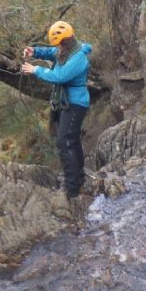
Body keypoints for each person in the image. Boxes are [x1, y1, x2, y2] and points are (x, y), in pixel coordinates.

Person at [22, 21, 92, 199]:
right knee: (71, 142)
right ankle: (78, 179)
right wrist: (34, 51)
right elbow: (51, 53)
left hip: (75, 105)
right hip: (67, 103)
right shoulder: (67, 50)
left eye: (59, 44)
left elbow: (59, 77)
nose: (57, 48)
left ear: (65, 42)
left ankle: (72, 189)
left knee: (65, 142)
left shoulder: (78, 58)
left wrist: (36, 69)